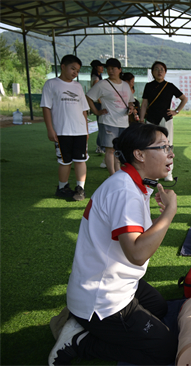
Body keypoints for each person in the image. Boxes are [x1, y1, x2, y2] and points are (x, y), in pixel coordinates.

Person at [48, 123, 178, 366]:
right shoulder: (124, 191)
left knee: (158, 306)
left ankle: (80, 320)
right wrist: (169, 214)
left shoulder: (131, 182)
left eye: (169, 146)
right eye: (163, 147)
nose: (170, 153)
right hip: (103, 297)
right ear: (139, 154)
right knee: (167, 350)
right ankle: (79, 341)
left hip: (113, 283)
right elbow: (137, 253)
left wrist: (161, 216)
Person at [41, 54, 90, 201]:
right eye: (72, 69)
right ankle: (62, 188)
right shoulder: (51, 84)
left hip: (80, 130)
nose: (75, 73)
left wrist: (86, 130)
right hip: (62, 131)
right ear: (63, 66)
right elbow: (46, 108)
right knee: (65, 161)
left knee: (81, 160)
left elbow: (84, 110)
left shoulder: (78, 86)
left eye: (77, 70)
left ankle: (80, 188)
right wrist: (50, 129)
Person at [140, 61, 188, 182]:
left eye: (162, 69)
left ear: (165, 72)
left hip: (166, 119)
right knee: (151, 146)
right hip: (151, 119)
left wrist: (176, 111)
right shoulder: (148, 86)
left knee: (168, 145)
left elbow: (184, 99)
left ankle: (168, 172)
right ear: (152, 72)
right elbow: (144, 104)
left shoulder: (170, 86)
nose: (159, 71)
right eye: (156, 69)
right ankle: (154, 173)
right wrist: (141, 119)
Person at [86, 58, 134, 176]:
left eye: (113, 68)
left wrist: (131, 108)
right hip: (108, 121)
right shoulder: (103, 84)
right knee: (110, 149)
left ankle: (117, 173)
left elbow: (130, 102)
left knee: (118, 150)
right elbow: (88, 97)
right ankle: (112, 175)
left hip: (123, 122)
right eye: (108, 69)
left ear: (119, 70)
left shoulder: (126, 85)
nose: (110, 71)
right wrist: (96, 112)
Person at [90, 60, 105, 156]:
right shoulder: (96, 78)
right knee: (102, 125)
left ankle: (100, 146)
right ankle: (100, 146)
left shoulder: (98, 77)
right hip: (99, 105)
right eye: (100, 66)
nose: (102, 68)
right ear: (96, 67)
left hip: (99, 104)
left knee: (102, 125)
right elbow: (96, 93)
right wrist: (102, 102)